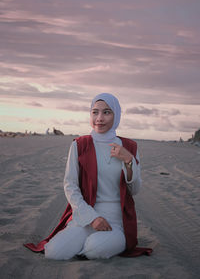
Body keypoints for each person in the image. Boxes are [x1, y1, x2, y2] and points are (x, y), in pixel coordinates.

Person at [24, 93, 152, 259]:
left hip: (115, 221)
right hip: (86, 216)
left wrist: (128, 160)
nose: (99, 118)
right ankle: (85, 241)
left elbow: (134, 190)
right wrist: (92, 218)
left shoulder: (129, 147)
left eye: (106, 112)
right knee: (53, 252)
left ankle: (96, 244)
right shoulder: (79, 144)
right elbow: (70, 186)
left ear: (116, 115)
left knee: (94, 250)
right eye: (95, 112)